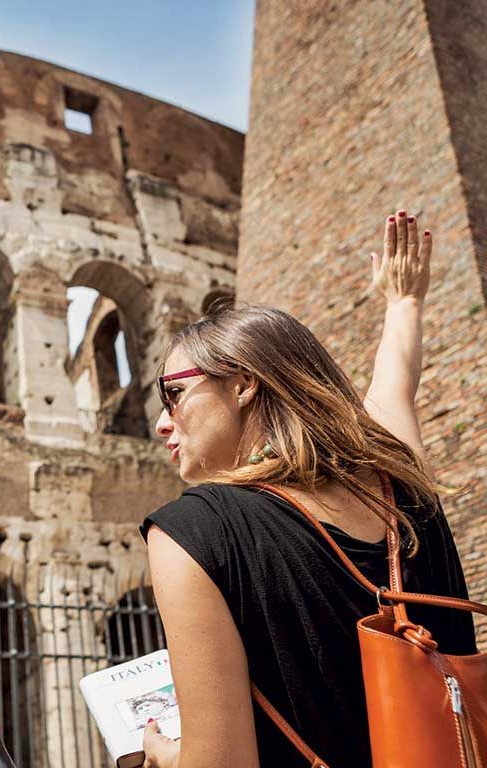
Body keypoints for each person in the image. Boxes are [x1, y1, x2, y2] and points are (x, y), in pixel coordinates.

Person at [138, 211, 477, 768]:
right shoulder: (400, 481)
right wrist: (404, 301)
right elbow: (397, 379)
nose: (162, 422)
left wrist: (167, 756)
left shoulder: (191, 533)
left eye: (171, 393)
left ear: (244, 382)